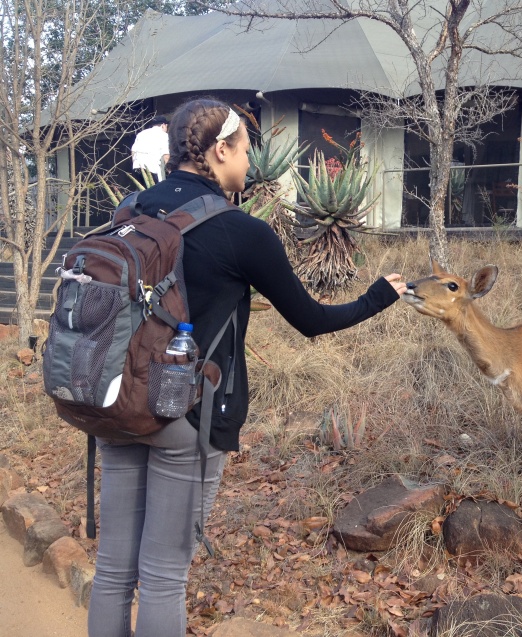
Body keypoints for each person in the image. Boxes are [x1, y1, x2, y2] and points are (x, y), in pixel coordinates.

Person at [88, 97, 407, 637]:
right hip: (185, 418)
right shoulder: (241, 231)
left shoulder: (130, 211)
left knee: (114, 570)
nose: (249, 160)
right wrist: (377, 297)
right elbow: (310, 319)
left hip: (118, 404)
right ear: (219, 151)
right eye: (244, 149)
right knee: (163, 576)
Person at [130, 115, 170, 181]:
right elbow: (166, 157)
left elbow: (133, 152)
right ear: (163, 125)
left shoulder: (141, 134)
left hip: (137, 168)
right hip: (151, 170)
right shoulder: (164, 135)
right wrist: (171, 173)